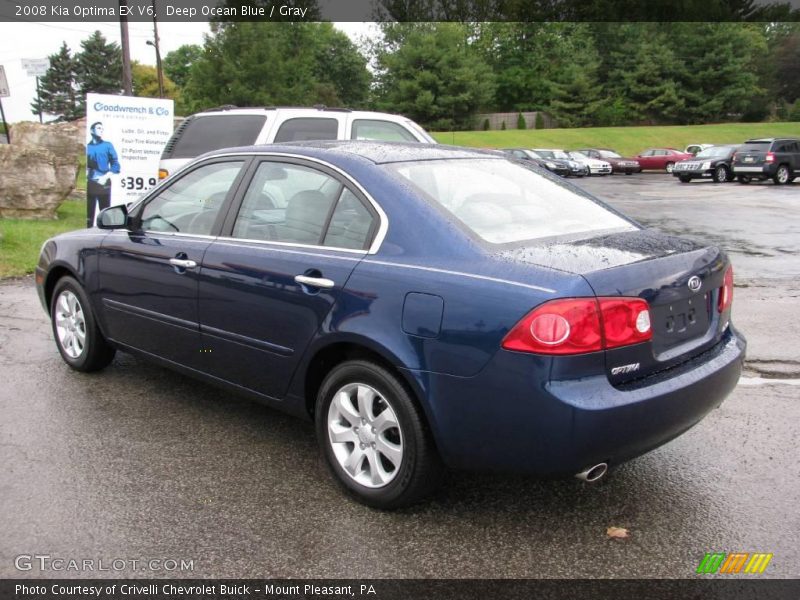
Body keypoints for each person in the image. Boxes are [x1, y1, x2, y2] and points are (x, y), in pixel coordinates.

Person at [86, 121, 120, 227]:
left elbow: (116, 165)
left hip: (104, 182)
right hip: (90, 183)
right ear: (92, 131)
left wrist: (105, 177)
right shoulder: (87, 147)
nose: (101, 130)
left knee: (105, 213)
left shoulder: (107, 145)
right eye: (98, 128)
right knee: (88, 214)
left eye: (102, 128)